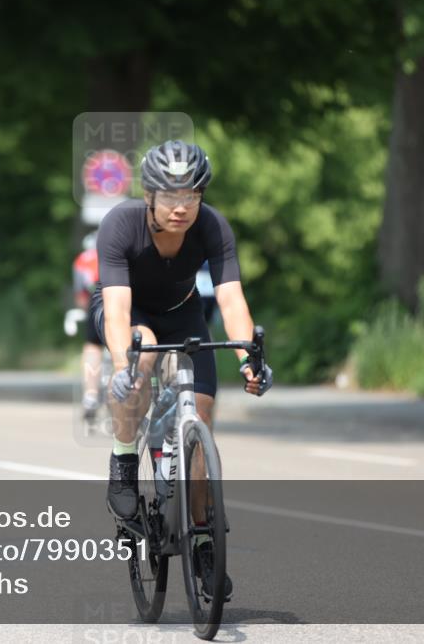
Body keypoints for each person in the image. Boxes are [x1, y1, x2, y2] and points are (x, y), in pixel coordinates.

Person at [89, 140, 272, 600]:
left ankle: (205, 541)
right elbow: (116, 311)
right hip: (126, 312)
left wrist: (249, 359)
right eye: (171, 196)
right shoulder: (120, 225)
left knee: (203, 417)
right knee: (143, 349)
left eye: (192, 195)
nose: (182, 207)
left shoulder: (212, 227)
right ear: (149, 195)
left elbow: (231, 299)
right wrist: (122, 367)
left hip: (183, 311)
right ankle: (125, 460)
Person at [73, 231, 104, 422]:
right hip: (123, 298)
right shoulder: (126, 249)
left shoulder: (83, 259)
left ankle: (90, 395)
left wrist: (85, 309)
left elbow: (80, 294)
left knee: (93, 344)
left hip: (96, 300)